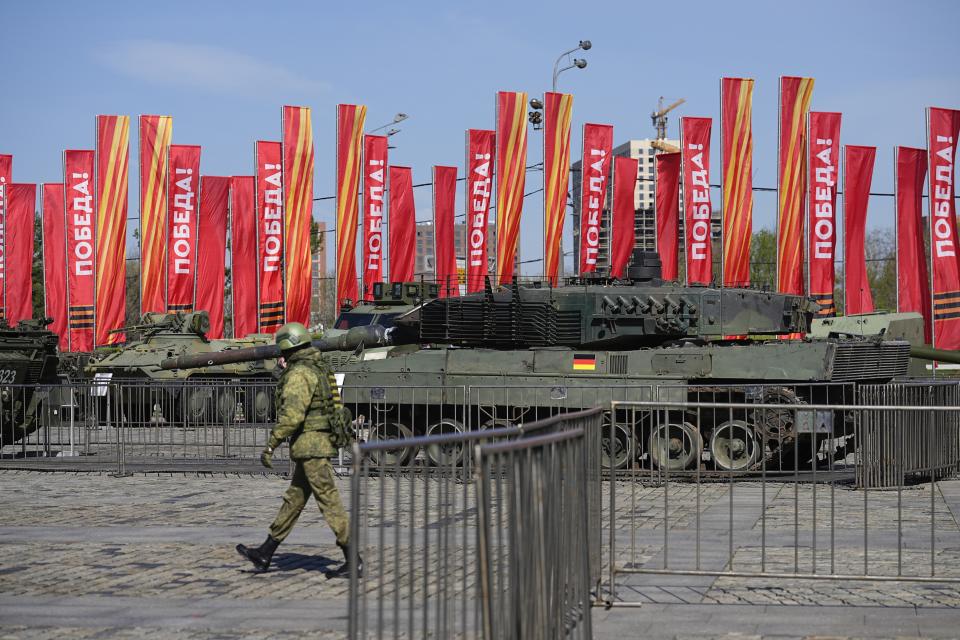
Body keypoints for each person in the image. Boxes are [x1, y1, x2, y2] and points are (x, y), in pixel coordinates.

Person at [236, 322, 361, 576]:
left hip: (311, 446)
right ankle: (265, 552)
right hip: (314, 445)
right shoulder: (318, 366)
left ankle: (353, 558)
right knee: (294, 500)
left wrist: (272, 444)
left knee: (329, 502)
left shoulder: (299, 373)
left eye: (282, 352)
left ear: (288, 350)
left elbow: (292, 415)